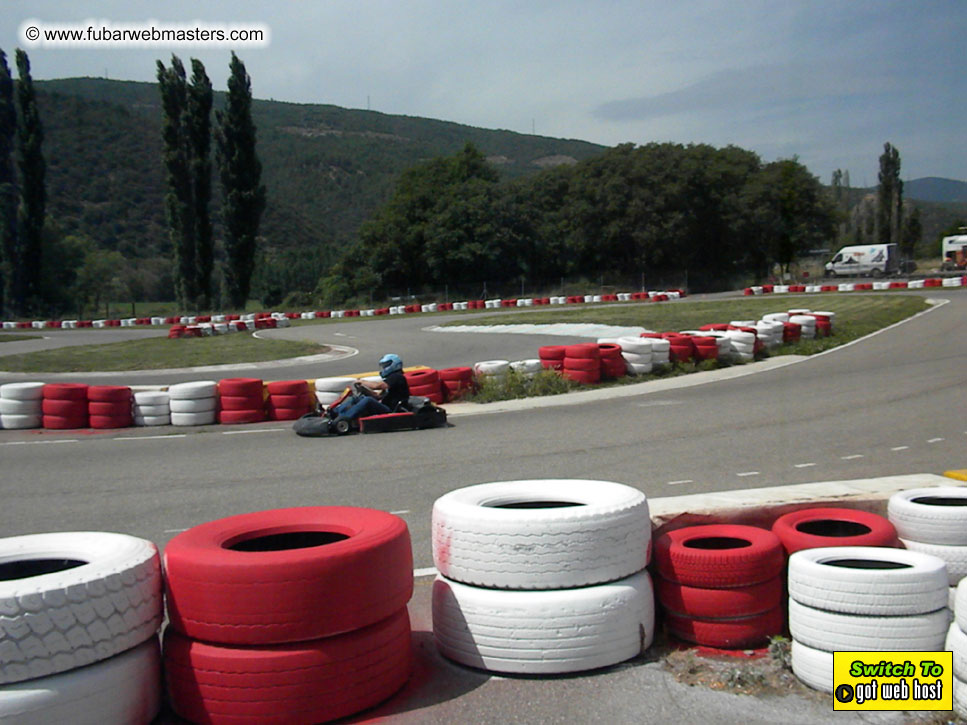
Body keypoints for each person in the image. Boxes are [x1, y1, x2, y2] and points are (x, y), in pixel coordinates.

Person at [330, 353, 410, 422]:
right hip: (385, 405)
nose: (384, 368)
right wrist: (365, 390)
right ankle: (335, 413)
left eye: (386, 365)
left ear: (394, 365)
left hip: (391, 410)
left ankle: (345, 418)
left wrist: (363, 381)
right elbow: (378, 396)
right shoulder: (391, 378)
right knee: (357, 398)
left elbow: (377, 386)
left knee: (368, 400)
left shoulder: (397, 377)